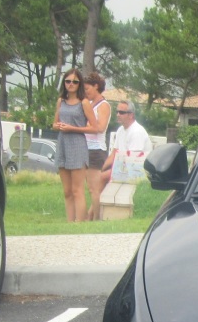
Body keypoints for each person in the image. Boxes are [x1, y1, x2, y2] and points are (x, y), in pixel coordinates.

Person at [52, 69, 90, 222]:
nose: (71, 84)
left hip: (77, 144)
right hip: (62, 143)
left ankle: (80, 225)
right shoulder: (61, 101)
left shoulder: (84, 103)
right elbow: (54, 123)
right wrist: (59, 126)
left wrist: (72, 128)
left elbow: (95, 127)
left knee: (77, 190)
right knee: (67, 191)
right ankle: (69, 224)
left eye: (75, 82)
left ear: (79, 83)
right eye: (68, 81)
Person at [100, 100, 153, 190]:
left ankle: (97, 203)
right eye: (117, 112)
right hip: (125, 168)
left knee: (100, 179)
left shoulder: (136, 132)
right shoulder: (121, 130)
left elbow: (132, 161)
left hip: (138, 171)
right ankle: (98, 202)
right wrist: (101, 169)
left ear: (131, 115)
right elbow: (114, 154)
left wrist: (106, 173)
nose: (118, 115)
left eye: (121, 112)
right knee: (98, 177)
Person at [80, 72, 112, 221]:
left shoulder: (103, 105)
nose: (85, 92)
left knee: (94, 188)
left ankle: (97, 219)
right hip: (86, 147)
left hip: (96, 149)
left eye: (87, 89)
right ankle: (90, 217)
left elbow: (100, 127)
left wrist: (84, 126)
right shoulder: (90, 104)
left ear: (96, 86)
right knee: (90, 188)